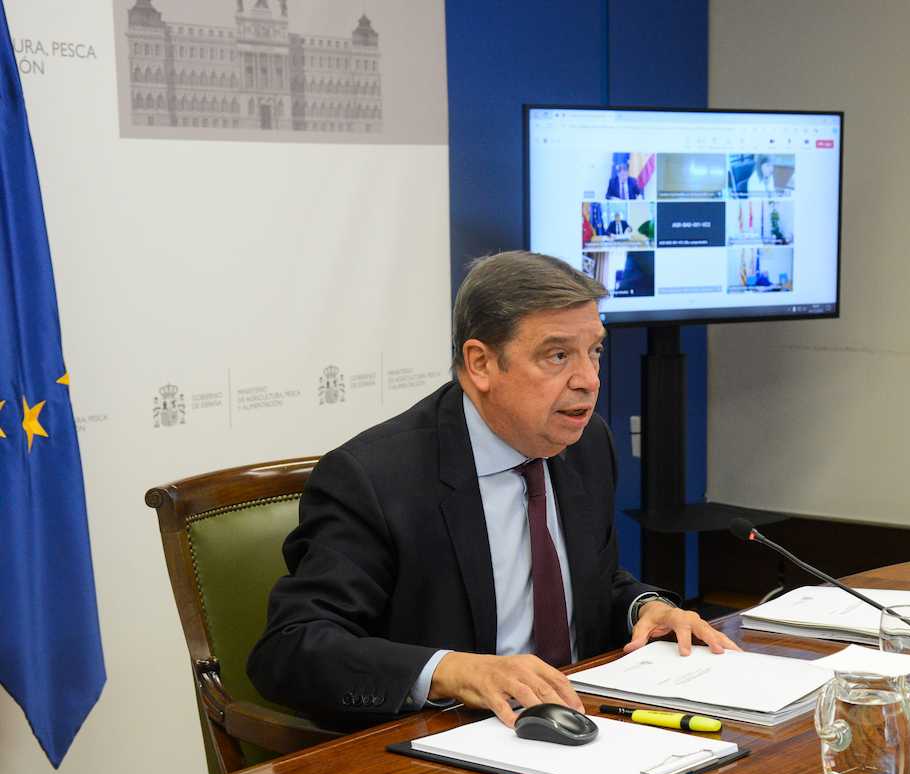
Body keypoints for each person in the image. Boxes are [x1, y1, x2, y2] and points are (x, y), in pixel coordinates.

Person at [247, 251, 737, 729]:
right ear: (480, 363)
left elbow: (591, 581)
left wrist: (647, 608)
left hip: (580, 721)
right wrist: (452, 670)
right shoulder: (374, 478)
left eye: (595, 352)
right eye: (558, 355)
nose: (588, 380)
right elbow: (292, 648)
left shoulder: (587, 444)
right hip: (445, 740)